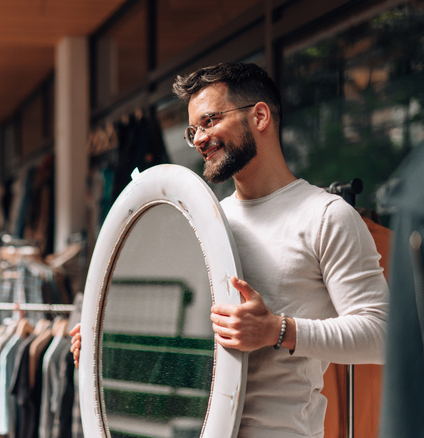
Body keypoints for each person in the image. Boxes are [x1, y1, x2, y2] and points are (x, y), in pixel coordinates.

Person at [71, 62, 388, 437]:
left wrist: (277, 330)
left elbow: (382, 336)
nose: (199, 138)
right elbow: (189, 347)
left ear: (260, 115)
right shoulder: (206, 221)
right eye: (193, 130)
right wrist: (105, 349)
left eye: (210, 121)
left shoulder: (325, 216)